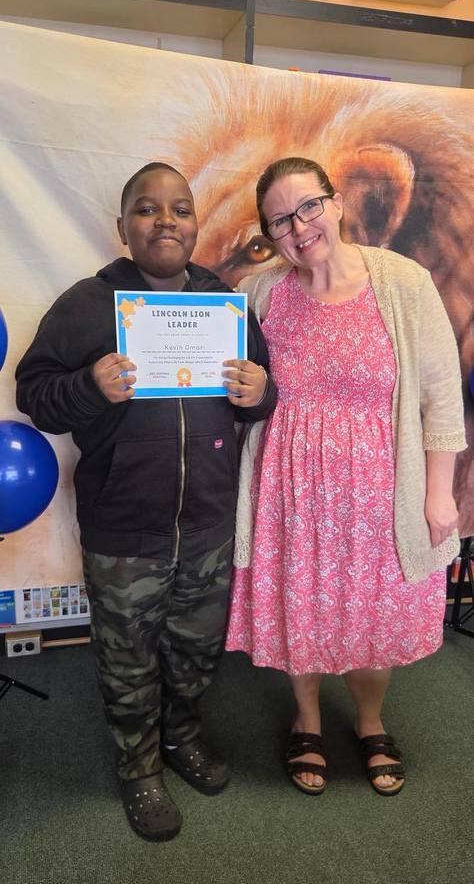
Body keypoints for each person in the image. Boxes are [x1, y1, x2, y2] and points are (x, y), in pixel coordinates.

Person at [16, 162, 277, 840]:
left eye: (180, 209)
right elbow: (34, 394)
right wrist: (90, 387)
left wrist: (260, 392)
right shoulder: (85, 304)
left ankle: (180, 734)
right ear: (124, 225)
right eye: (147, 209)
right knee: (128, 659)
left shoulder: (225, 303)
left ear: (196, 223)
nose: (166, 221)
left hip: (209, 525)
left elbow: (262, 391)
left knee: (195, 653)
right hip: (124, 528)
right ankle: (139, 767)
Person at [226, 156, 466, 797]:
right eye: (280, 220)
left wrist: (439, 491)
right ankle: (306, 720)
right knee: (300, 610)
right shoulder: (259, 293)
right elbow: (229, 378)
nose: (299, 227)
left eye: (308, 207)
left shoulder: (402, 283)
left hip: (381, 490)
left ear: (335, 204)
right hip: (289, 491)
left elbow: (441, 395)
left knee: (374, 619)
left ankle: (368, 722)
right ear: (270, 235)